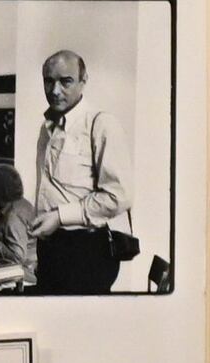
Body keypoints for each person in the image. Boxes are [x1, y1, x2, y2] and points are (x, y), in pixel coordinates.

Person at [20, 46, 140, 295]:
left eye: (66, 82)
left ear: (84, 81)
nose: (55, 91)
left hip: (87, 252)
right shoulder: (47, 127)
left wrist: (60, 217)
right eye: (49, 81)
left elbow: (118, 197)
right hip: (50, 247)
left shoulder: (102, 125)